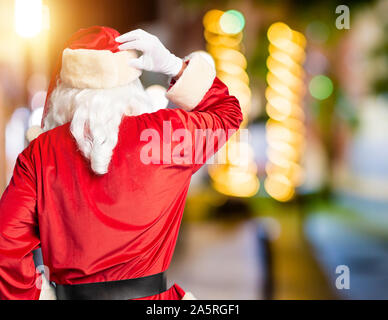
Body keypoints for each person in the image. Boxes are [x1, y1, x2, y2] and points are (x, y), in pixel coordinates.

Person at [0, 26, 243, 300]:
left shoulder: (41, 154)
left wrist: (37, 295)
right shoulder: (163, 137)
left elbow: (5, 246)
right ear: (130, 86)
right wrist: (173, 65)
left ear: (64, 93)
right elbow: (227, 113)